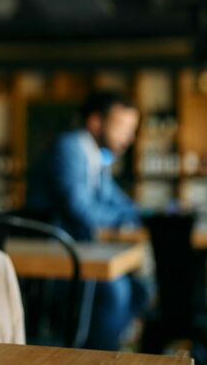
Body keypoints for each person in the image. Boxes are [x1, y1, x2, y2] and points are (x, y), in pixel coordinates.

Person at [25, 90, 146, 350]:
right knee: (118, 291)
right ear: (95, 122)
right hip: (48, 259)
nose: (129, 136)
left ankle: (101, 355)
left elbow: (116, 200)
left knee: (139, 290)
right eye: (122, 126)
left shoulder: (97, 155)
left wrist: (144, 216)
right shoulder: (71, 147)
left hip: (76, 251)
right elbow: (81, 210)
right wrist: (128, 218)